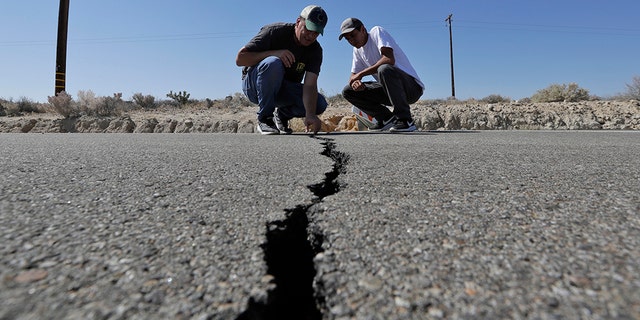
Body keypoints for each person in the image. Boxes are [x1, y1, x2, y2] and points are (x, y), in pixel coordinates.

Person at [235, 5, 329, 135]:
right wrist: (275, 53)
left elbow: (310, 85)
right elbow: (240, 59)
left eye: (316, 33)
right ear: (298, 22)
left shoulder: (315, 50)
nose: (311, 36)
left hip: (283, 90)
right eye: (308, 29)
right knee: (273, 63)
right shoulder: (275, 31)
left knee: (319, 103)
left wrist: (310, 114)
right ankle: (265, 118)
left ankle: (282, 116)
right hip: (254, 85)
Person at [339, 18, 425, 132]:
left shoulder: (376, 32)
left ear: (363, 29)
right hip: (390, 91)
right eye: (347, 39)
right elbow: (353, 76)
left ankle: (405, 120)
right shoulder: (357, 50)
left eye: (353, 35)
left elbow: (389, 59)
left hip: (411, 89)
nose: (351, 41)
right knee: (348, 91)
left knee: (384, 69)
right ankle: (386, 119)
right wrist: (356, 83)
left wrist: (361, 74)